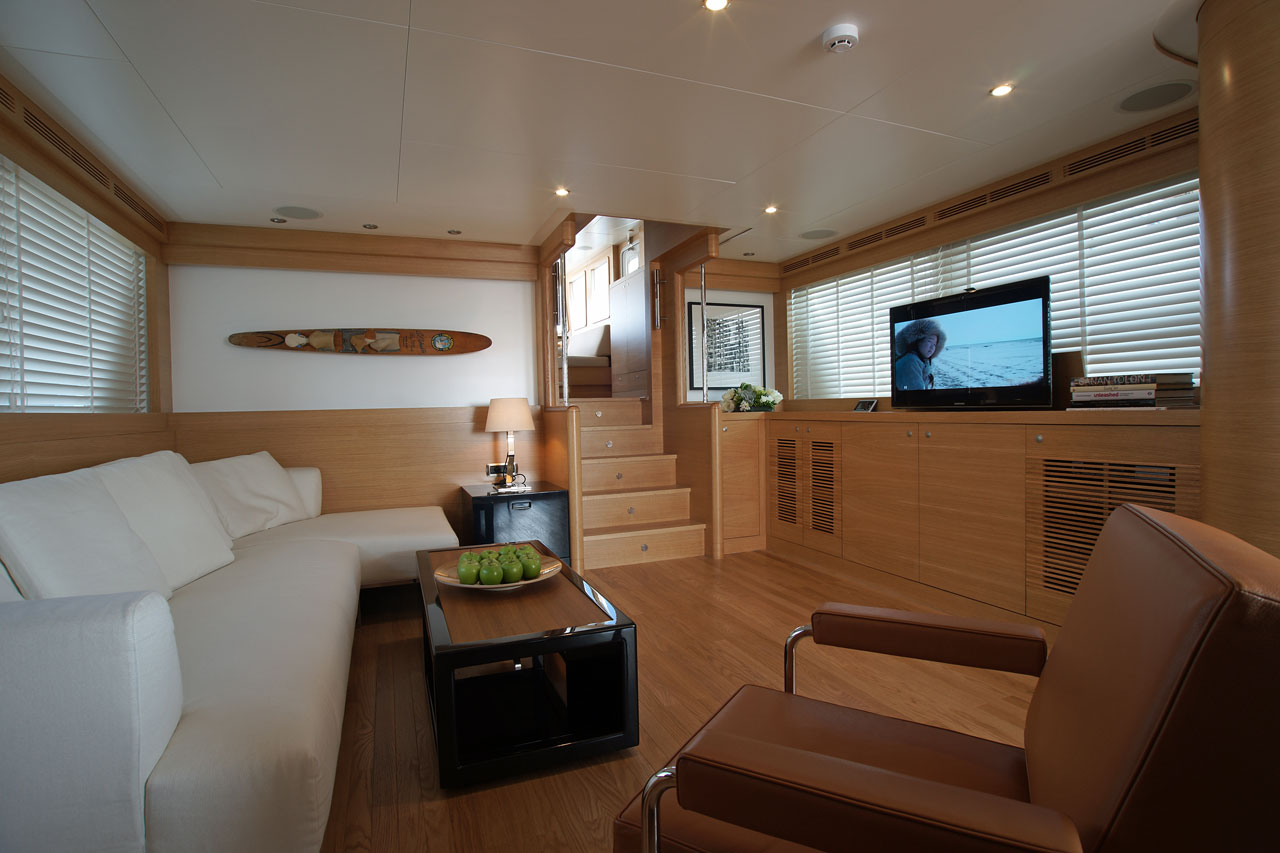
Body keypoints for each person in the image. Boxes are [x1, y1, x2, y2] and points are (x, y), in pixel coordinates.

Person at [894, 318, 946, 390]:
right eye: (929, 341)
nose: (932, 347)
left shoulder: (919, 361)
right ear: (917, 341)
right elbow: (917, 393)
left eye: (934, 344)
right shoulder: (910, 361)